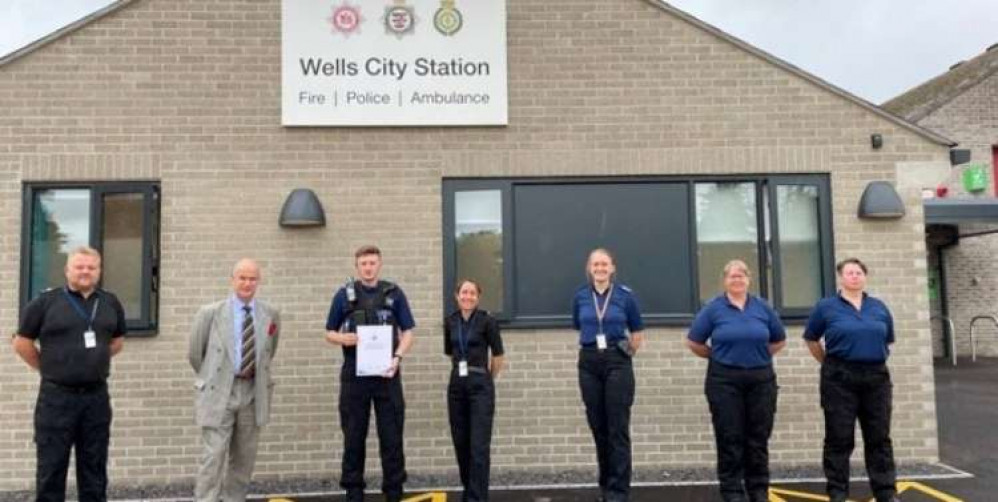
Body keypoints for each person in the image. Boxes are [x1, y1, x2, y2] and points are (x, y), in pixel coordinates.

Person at [12, 246, 127, 502]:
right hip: (56, 399)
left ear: (99, 271)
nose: (85, 271)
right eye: (79, 266)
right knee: (51, 470)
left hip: (96, 399)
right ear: (67, 270)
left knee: (94, 469)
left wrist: (92, 361)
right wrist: (49, 367)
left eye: (91, 267)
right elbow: (22, 343)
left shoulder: (110, 302)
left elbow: (117, 341)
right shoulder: (45, 302)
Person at [686, 259, 785, 502]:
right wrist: (719, 356)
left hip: (760, 379)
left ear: (749, 279)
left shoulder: (763, 308)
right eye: (732, 276)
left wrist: (757, 355)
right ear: (725, 281)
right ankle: (732, 492)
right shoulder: (713, 309)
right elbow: (694, 342)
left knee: (758, 437)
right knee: (729, 436)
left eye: (741, 275)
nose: (737, 279)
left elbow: (778, 340)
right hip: (724, 380)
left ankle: (758, 490)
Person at [804, 258, 900, 502]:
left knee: (879, 438)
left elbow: (887, 340)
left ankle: (886, 492)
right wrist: (829, 364)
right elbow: (812, 339)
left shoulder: (878, 307)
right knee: (839, 438)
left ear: (864, 277)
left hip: (876, 378)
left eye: (859, 272)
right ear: (841, 278)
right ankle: (837, 492)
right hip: (839, 378)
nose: (854, 276)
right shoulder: (826, 307)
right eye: (849, 273)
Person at [325, 245, 415, 502]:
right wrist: (344, 338)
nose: (368, 267)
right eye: (363, 263)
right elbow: (328, 331)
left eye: (372, 262)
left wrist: (398, 356)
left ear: (380, 264)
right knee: (353, 436)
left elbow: (408, 332)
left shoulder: (394, 294)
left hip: (387, 375)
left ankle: (394, 492)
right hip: (355, 376)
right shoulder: (344, 295)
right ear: (357, 266)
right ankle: (354, 493)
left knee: (392, 436)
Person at [188, 258, 281, 502]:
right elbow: (196, 355)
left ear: (258, 282)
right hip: (220, 391)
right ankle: (206, 499)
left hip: (252, 391)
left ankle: (234, 499)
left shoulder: (270, 314)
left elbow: (269, 351)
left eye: (252, 279)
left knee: (244, 457)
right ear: (232, 280)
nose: (247, 283)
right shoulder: (211, 314)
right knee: (214, 455)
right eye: (242, 277)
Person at [572, 248, 644, 502]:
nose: (600, 269)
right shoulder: (581, 296)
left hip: (617, 362)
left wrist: (624, 354)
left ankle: (619, 492)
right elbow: (579, 324)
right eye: (596, 265)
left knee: (617, 428)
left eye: (605, 264)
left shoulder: (625, 297)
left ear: (612, 268)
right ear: (589, 268)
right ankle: (606, 486)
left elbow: (637, 333)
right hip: (589, 362)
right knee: (598, 426)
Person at [444, 279, 505, 502]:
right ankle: (469, 491)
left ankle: (477, 498)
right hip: (456, 386)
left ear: (477, 297)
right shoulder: (450, 322)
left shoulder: (487, 321)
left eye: (472, 293)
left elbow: (498, 357)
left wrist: (486, 378)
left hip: (480, 385)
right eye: (463, 292)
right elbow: (451, 352)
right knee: (461, 442)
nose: (467, 296)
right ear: (456, 295)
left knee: (478, 445)